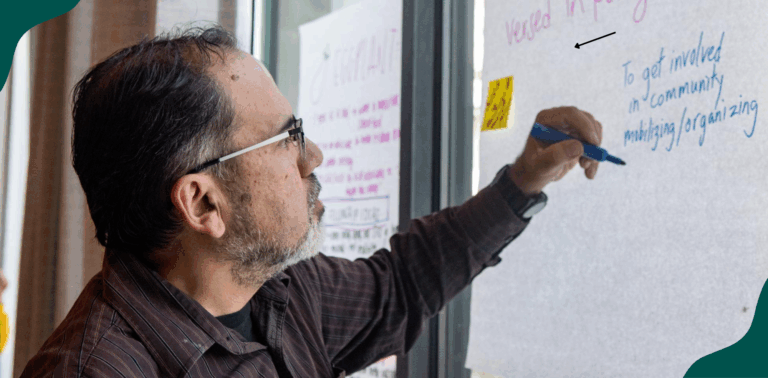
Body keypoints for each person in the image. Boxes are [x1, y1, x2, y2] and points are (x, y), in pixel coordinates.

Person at [19, 26, 602, 377]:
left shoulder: (282, 292)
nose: (313, 156)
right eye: (286, 137)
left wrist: (525, 178)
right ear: (203, 205)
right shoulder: (95, 370)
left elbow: (403, 283)